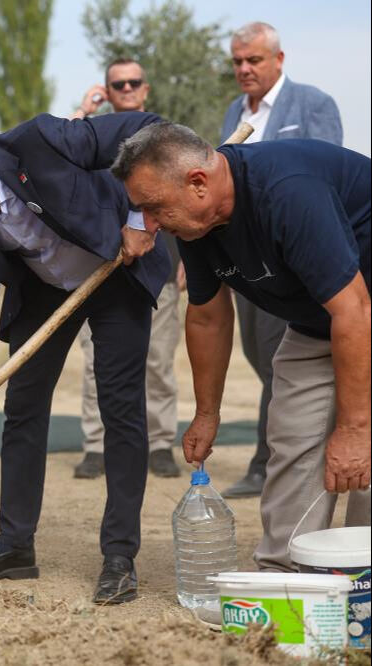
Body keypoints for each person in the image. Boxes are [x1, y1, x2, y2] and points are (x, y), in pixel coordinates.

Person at [0, 114, 170, 604]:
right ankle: (15, 545)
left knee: (120, 410)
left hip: (115, 270)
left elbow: (149, 129)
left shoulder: (42, 142)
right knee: (22, 409)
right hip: (43, 289)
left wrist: (138, 219)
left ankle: (119, 555)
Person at [112, 122, 370, 571]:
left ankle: (364, 579)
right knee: (292, 442)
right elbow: (208, 316)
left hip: (359, 313)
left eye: (153, 207)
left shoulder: (288, 192)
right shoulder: (195, 225)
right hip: (316, 324)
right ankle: (285, 576)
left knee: (364, 461)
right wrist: (206, 414)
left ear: (198, 183)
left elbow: (355, 311)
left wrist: (353, 430)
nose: (149, 224)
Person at [219, 21, 343, 499]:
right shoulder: (234, 111)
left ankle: (265, 464)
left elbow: (325, 173)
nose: (245, 69)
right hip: (246, 260)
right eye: (238, 61)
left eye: (254, 59)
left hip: (290, 260)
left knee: (279, 361)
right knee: (257, 353)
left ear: (279, 59)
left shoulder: (313, 104)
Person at [71, 58, 183, 480]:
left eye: (134, 82)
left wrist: (191, 261)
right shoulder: (92, 137)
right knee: (95, 362)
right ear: (107, 91)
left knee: (158, 360)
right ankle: (95, 445)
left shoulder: (166, 137)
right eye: (118, 84)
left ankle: (161, 443)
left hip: (158, 267)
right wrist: (85, 109)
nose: (128, 88)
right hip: (100, 267)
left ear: (145, 88)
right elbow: (59, 156)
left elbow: (188, 199)